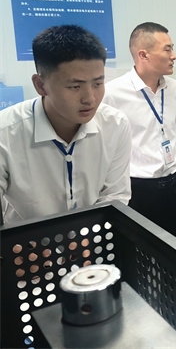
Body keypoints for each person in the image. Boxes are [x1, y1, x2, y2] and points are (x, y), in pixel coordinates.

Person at [0, 25, 131, 225]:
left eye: (98, 84)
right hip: (27, 241)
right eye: (75, 86)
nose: (90, 98)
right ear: (40, 85)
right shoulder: (6, 132)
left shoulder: (115, 125)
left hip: (95, 238)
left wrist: (89, 236)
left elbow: (115, 196)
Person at [103, 22, 176, 240]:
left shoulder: (175, 89)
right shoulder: (112, 93)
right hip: (137, 189)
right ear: (143, 55)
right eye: (167, 49)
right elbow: (103, 144)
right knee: (139, 249)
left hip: (173, 184)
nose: (174, 56)